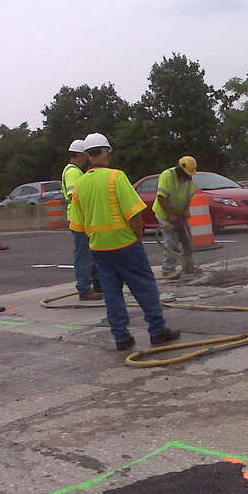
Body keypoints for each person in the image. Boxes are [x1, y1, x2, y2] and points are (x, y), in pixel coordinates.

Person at [69, 132, 180, 351]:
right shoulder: (116, 177)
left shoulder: (80, 184)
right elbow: (134, 213)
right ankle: (157, 331)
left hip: (99, 248)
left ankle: (121, 337)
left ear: (88, 156)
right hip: (125, 244)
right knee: (145, 286)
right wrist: (137, 236)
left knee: (111, 293)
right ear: (107, 152)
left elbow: (78, 225)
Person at [62, 139, 102, 300]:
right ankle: (84, 289)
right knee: (84, 255)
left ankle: (98, 285)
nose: (88, 158)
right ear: (80, 155)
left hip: (83, 218)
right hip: (79, 219)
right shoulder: (73, 172)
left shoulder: (75, 171)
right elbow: (75, 195)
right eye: (86, 155)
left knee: (93, 253)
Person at [153, 156, 199, 276]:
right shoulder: (167, 175)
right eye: (186, 173)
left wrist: (186, 210)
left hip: (179, 214)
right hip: (165, 213)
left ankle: (188, 267)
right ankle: (168, 270)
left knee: (187, 240)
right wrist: (170, 214)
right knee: (172, 242)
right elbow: (161, 197)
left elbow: (189, 196)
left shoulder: (188, 178)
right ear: (180, 168)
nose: (188, 176)